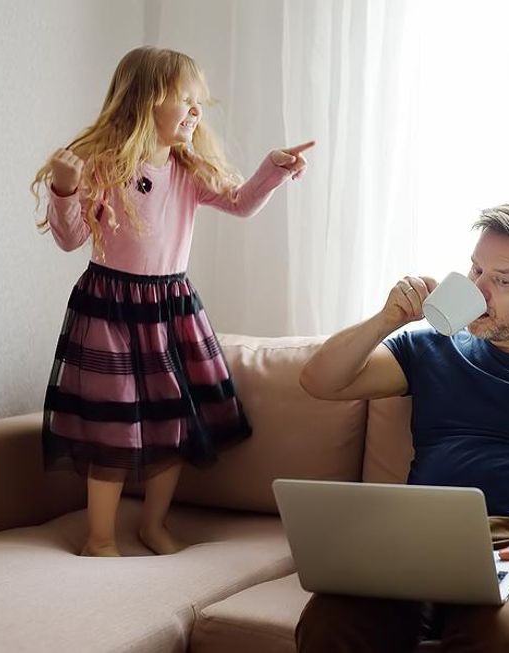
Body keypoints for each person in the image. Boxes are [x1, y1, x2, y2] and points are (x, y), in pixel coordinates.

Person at [296, 203, 509, 652]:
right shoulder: (430, 347)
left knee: (503, 634)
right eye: (475, 270)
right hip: (417, 537)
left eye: (501, 280)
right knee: (329, 624)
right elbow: (320, 381)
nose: (479, 291)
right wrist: (389, 319)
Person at [31, 46, 313, 557]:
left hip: (170, 306)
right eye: (185, 99)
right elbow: (71, 239)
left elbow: (241, 202)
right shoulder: (106, 164)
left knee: (175, 419)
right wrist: (65, 189)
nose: (195, 111)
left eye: (197, 102)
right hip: (109, 306)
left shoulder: (187, 169)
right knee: (111, 421)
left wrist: (271, 169)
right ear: (146, 101)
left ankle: (153, 524)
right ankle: (99, 538)